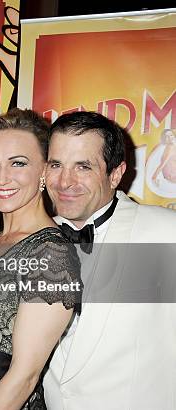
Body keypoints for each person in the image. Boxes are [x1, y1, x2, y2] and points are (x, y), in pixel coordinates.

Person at [43, 111, 176, 409]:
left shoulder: (167, 233)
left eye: (83, 166)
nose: (65, 181)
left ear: (115, 174)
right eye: (56, 164)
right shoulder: (28, 241)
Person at [0, 108, 81, 409]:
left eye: (18, 163)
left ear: (44, 171)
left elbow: (25, 376)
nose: (1, 178)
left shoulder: (52, 254)